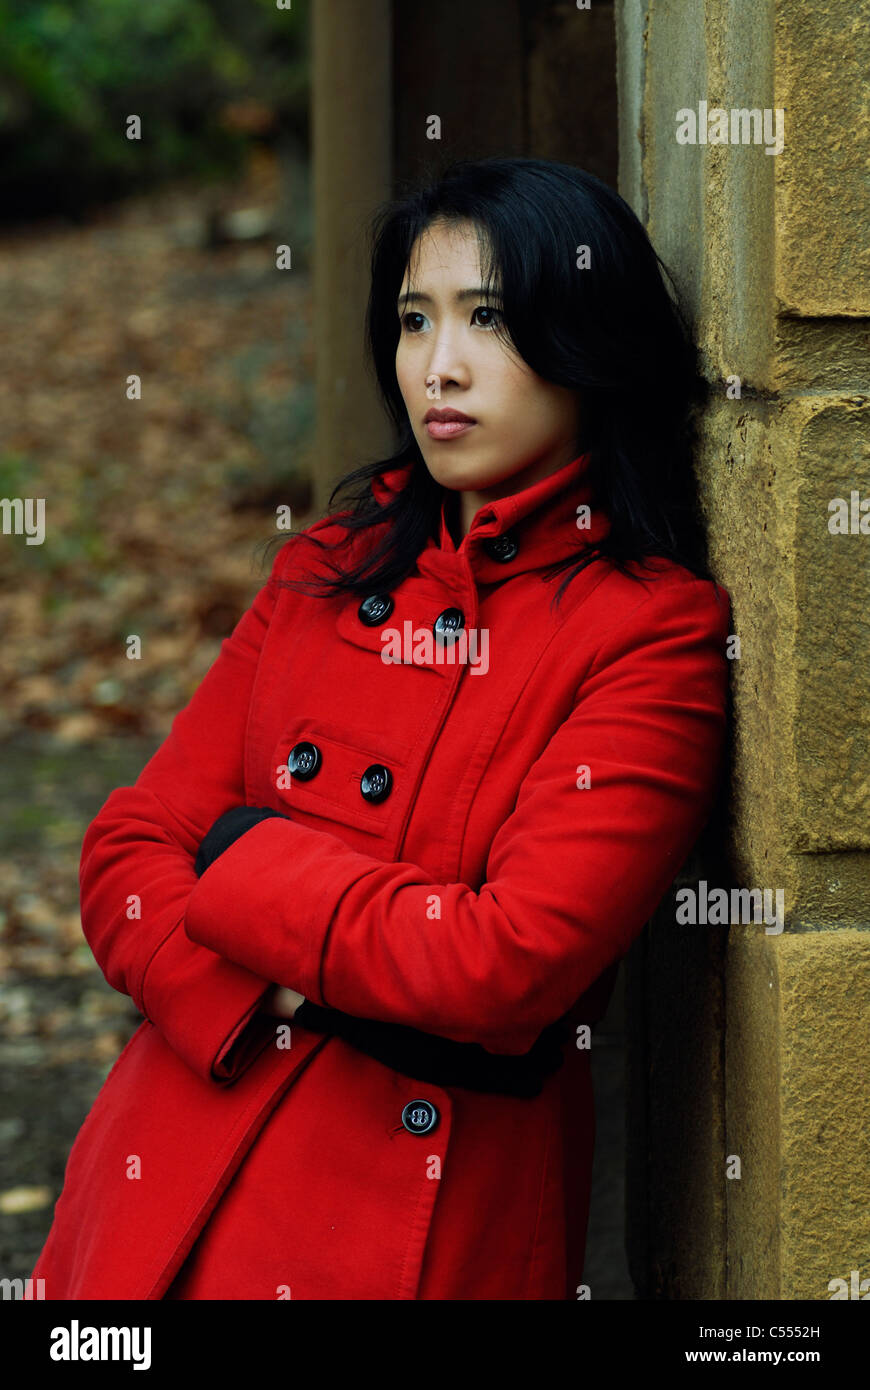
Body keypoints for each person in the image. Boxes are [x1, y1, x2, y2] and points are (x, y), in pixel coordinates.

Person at [32, 156, 731, 1300]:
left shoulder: (651, 632)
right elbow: (123, 859)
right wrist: (300, 978)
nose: (437, 368)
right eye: (414, 320)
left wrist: (242, 863)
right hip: (166, 1168)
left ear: (589, 340)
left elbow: (507, 963)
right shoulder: (327, 565)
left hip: (420, 1219)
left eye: (488, 319)